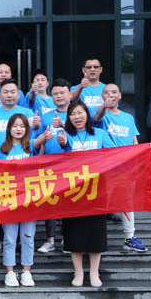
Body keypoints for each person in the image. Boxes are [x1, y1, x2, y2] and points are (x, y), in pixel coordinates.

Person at [57, 101, 113, 287]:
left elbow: (116, 154)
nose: (77, 117)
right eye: (73, 114)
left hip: (96, 191)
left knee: (96, 232)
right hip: (73, 191)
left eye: (80, 113)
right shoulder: (66, 135)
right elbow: (57, 159)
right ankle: (79, 272)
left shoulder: (100, 134)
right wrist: (61, 143)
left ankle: (94, 272)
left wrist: (143, 148)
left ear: (87, 115)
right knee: (74, 232)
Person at [94, 82, 148, 252]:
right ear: (102, 96)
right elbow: (96, 117)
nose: (110, 95)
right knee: (101, 201)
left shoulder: (128, 117)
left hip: (125, 167)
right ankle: (94, 240)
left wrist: (139, 156)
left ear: (120, 96)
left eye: (114, 92)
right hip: (105, 167)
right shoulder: (100, 114)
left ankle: (130, 238)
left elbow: (133, 141)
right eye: (106, 92)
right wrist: (104, 106)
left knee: (126, 202)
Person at [0, 113, 38, 287]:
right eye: (15, 126)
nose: (18, 129)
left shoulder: (31, 146)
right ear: (9, 128)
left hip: (29, 199)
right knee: (10, 238)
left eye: (22, 126)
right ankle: (10, 272)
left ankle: (26, 271)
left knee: (28, 237)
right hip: (8, 199)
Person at [36, 79, 72, 254]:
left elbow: (84, 131)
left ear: (70, 94)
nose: (59, 96)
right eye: (55, 93)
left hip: (71, 165)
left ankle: (67, 239)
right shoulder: (46, 116)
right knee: (49, 201)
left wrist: (64, 125)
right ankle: (50, 240)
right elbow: (39, 139)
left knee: (68, 202)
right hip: (49, 165)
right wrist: (44, 138)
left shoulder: (77, 113)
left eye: (62, 93)